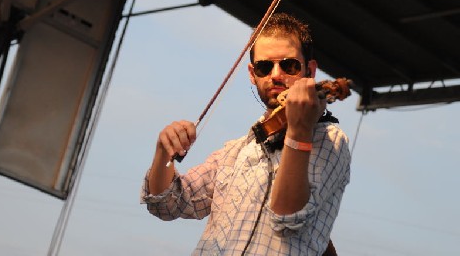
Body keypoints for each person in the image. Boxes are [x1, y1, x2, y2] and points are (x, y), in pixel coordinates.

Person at [141, 13, 351, 255]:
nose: (276, 74)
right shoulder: (236, 150)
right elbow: (167, 204)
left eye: (289, 65)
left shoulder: (329, 139)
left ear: (310, 71)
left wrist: (299, 129)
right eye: (264, 67)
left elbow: (287, 218)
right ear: (253, 74)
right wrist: (163, 153)